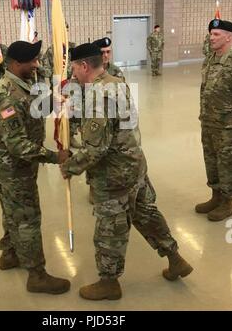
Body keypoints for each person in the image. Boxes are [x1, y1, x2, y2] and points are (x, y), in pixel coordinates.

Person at [59, 43, 193, 301]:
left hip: (114, 176)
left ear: (84, 66)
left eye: (74, 68)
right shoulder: (114, 82)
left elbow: (96, 150)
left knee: (110, 229)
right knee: (146, 215)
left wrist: (70, 167)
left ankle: (109, 282)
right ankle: (175, 258)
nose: (72, 73)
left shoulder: (99, 96)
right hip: (135, 166)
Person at [0, 40, 70, 295]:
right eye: (32, 61)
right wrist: (56, 157)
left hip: (18, 167)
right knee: (27, 218)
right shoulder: (6, 96)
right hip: (14, 168)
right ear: (15, 64)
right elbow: (17, 145)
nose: (36, 64)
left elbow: (35, 108)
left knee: (12, 211)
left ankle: (10, 254)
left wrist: (56, 103)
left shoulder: (21, 85)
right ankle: (37, 275)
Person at [195, 18, 232, 221]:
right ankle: (215, 196)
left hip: (228, 126)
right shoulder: (210, 59)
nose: (211, 37)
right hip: (208, 121)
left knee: (226, 163)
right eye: (211, 34)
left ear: (229, 37)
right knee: (211, 161)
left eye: (216, 34)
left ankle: (227, 202)